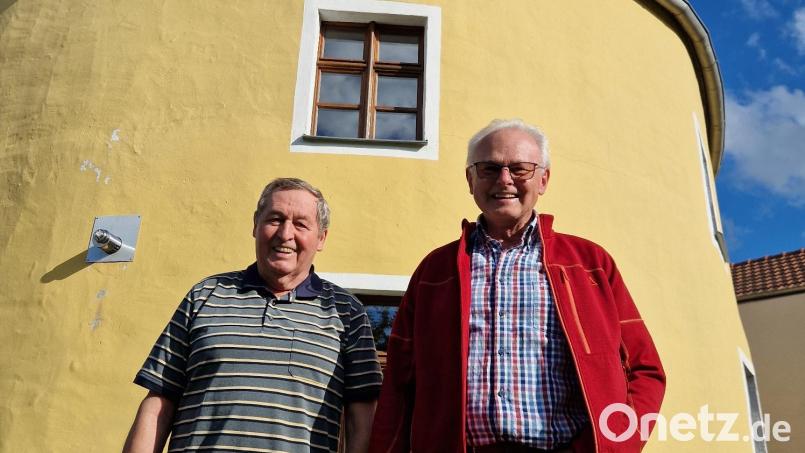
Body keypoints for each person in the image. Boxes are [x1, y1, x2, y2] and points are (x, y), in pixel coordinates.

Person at [369, 119, 665, 453]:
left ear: (543, 180)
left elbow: (645, 371)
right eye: (489, 168)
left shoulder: (590, 264)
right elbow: (398, 384)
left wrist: (614, 448)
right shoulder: (434, 272)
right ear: (470, 180)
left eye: (520, 169)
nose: (504, 179)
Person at [123, 177, 382, 453]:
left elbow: (362, 420)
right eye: (275, 219)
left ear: (321, 238)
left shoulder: (347, 312)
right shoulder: (204, 295)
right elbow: (158, 405)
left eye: (300, 224)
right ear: (255, 225)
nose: (285, 234)